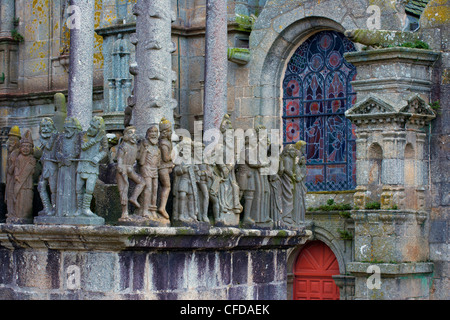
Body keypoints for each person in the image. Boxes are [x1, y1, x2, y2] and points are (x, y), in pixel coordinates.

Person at [75, 116, 108, 217]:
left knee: (89, 188)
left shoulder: (103, 136)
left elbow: (105, 150)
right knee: (78, 188)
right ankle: (79, 209)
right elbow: (83, 146)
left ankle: (86, 208)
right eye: (91, 126)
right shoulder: (84, 135)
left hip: (93, 166)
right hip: (82, 164)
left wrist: (98, 158)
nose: (91, 128)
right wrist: (95, 140)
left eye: (94, 127)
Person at [54, 117, 82, 217]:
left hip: (73, 166)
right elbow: (57, 151)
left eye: (69, 128)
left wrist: (71, 158)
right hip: (62, 167)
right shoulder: (61, 138)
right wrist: (62, 158)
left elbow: (79, 151)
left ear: (74, 129)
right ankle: (60, 212)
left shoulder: (78, 138)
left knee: (72, 188)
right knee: (61, 189)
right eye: (65, 128)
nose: (67, 131)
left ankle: (71, 211)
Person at [116, 126, 145, 220]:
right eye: (130, 133)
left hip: (130, 169)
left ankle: (133, 197)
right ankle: (124, 213)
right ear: (126, 136)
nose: (133, 135)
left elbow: (138, 158)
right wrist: (119, 166)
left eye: (134, 133)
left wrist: (145, 149)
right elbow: (119, 157)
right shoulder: (123, 146)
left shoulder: (135, 146)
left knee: (142, 182)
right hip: (123, 169)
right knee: (124, 190)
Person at [10, 130, 36, 223]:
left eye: (28, 147)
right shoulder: (19, 158)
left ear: (31, 148)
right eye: (24, 146)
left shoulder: (32, 159)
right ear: (20, 148)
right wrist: (16, 175)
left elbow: (33, 172)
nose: (26, 149)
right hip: (19, 183)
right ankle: (19, 215)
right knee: (19, 200)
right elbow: (16, 167)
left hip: (28, 184)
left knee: (28, 201)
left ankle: (26, 216)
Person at [36, 118, 58, 216]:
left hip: (53, 167)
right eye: (43, 127)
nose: (45, 129)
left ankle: (54, 208)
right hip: (45, 167)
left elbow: (49, 147)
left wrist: (43, 139)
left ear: (53, 128)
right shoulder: (43, 141)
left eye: (48, 126)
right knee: (41, 187)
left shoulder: (55, 138)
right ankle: (47, 208)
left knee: (53, 189)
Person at [139, 125, 161, 219]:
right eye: (151, 132)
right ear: (147, 135)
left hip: (154, 169)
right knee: (148, 189)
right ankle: (145, 209)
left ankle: (153, 209)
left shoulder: (157, 149)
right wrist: (145, 151)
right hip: (146, 168)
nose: (153, 134)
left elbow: (159, 163)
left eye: (155, 132)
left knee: (155, 188)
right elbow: (141, 162)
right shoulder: (145, 146)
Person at [158, 117, 174, 219]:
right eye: (169, 131)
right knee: (167, 187)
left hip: (165, 168)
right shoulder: (163, 143)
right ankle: (162, 207)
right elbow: (165, 157)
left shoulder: (166, 142)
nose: (171, 133)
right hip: (162, 168)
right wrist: (174, 156)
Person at [5, 126, 21, 218]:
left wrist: (9, 167)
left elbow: (11, 170)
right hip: (10, 179)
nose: (8, 143)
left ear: (15, 142)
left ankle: (12, 213)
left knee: (11, 196)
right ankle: (11, 213)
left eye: (11, 140)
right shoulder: (12, 153)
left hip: (12, 179)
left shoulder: (14, 153)